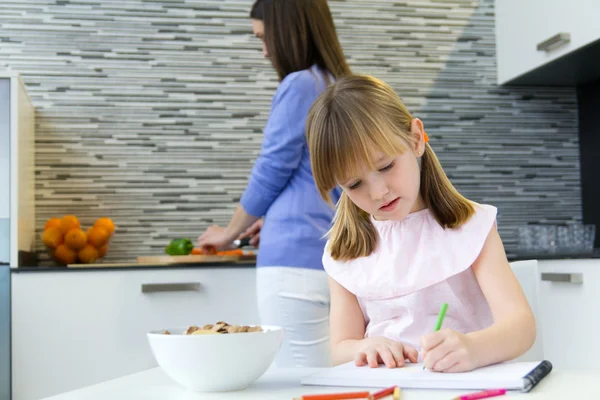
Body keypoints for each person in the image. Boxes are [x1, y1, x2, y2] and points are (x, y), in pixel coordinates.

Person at [305, 74, 536, 372]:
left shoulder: (470, 227)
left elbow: (521, 326)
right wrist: (364, 346)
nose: (378, 192)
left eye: (386, 166)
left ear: (416, 139)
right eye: (354, 184)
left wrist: (474, 348)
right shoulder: (345, 253)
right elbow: (340, 348)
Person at [197, 0, 351, 368]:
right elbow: (333, 184)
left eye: (265, 38)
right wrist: (274, 216)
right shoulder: (338, 86)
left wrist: (230, 233)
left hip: (292, 269)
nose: (265, 50)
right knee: (334, 381)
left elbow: (272, 168)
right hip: (333, 261)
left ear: (288, 31)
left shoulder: (300, 83)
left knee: (298, 383)